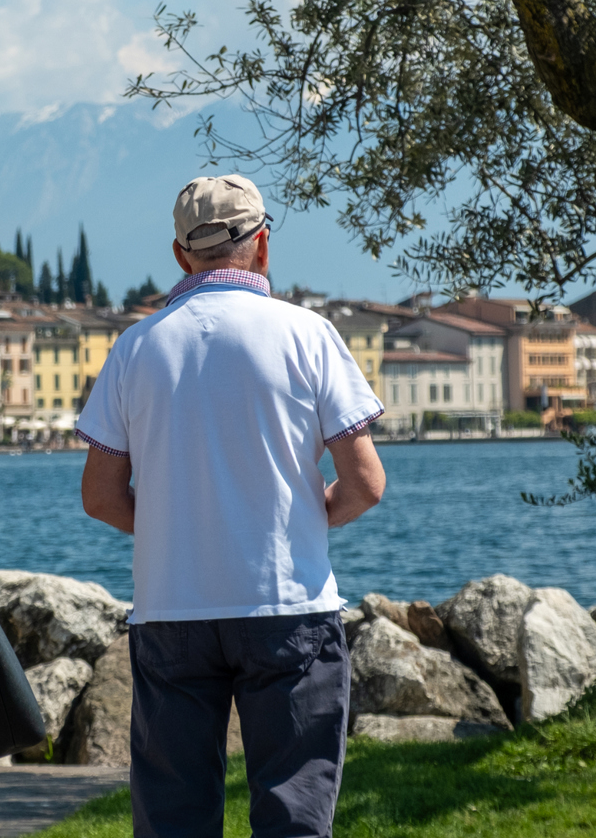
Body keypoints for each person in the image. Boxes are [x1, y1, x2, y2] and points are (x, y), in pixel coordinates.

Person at [76, 174, 388, 838]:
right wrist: (300, 520)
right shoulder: (309, 334)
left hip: (170, 610)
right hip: (287, 604)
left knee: (174, 821)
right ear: (263, 244)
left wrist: (172, 527)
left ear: (180, 255)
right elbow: (365, 483)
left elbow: (100, 496)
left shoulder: (134, 347)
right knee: (294, 817)